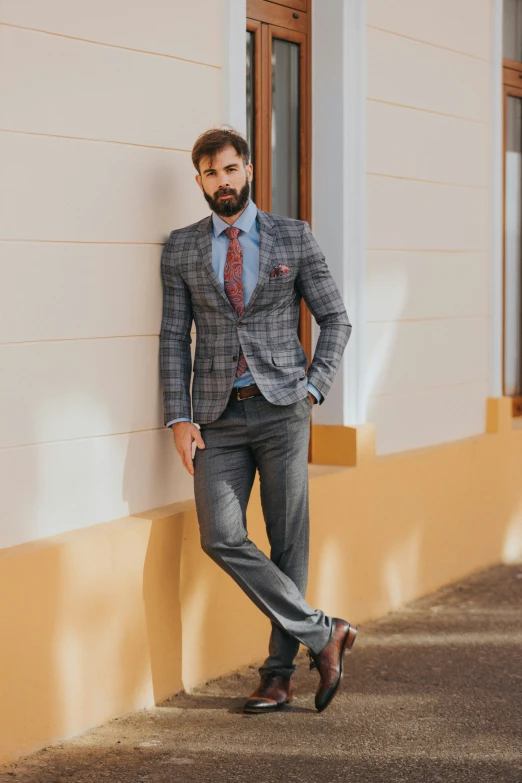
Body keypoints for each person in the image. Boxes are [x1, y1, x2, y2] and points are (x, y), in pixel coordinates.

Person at [159, 127, 357, 714]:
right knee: (220, 535)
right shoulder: (181, 248)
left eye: (230, 169)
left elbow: (336, 321)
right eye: (210, 173)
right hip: (215, 418)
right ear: (198, 181)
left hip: (282, 410)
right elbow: (175, 336)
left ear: (248, 171)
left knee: (288, 539)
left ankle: (278, 676)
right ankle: (325, 633)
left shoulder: (292, 238)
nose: (222, 181)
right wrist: (177, 415)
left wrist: (314, 390)